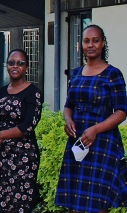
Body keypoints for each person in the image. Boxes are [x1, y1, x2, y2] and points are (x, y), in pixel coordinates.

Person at [55, 24, 127, 212]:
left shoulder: (113, 74)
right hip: (77, 142)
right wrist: (68, 120)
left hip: (103, 144)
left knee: (98, 202)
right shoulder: (76, 74)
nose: (91, 45)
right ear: (81, 45)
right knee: (74, 201)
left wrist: (95, 129)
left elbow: (121, 111)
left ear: (103, 44)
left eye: (96, 40)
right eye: (87, 41)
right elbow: (68, 106)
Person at [0, 48, 42, 213]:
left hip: (23, 157)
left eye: (20, 63)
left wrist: (1, 135)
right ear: (6, 66)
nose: (15, 66)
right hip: (2, 156)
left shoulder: (33, 93)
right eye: (11, 63)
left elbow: (28, 126)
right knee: (1, 202)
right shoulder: (1, 91)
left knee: (19, 204)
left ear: (27, 67)